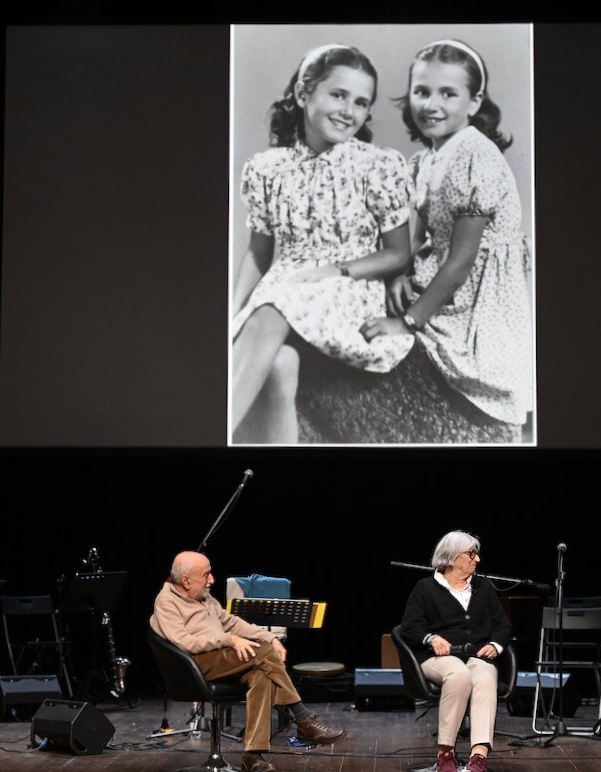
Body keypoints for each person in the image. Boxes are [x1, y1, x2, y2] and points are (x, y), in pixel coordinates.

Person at [231, 43, 415, 444]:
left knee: (273, 307)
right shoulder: (265, 169)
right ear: (303, 94)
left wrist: (337, 270)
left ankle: (205, 433)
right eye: (338, 94)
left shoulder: (377, 165)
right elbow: (258, 254)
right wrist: (232, 315)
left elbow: (398, 253)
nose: (350, 110)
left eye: (361, 102)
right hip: (286, 285)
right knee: (279, 364)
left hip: (347, 289)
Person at [361, 39, 533, 443]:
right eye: (421, 92)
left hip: (478, 299)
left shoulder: (478, 156)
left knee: (393, 338)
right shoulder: (425, 160)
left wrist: (406, 322)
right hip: (441, 277)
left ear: (474, 103)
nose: (430, 105)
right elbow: (416, 237)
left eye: (447, 94)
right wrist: (399, 274)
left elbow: (460, 264)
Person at [150, 551, 344, 772]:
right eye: (206, 574)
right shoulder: (166, 602)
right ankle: (303, 718)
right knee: (262, 651)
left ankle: (252, 756)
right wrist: (230, 640)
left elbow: (233, 623)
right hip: (192, 667)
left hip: (220, 660)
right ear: (185, 581)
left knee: (261, 675)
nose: (212, 579)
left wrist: (269, 636)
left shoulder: (204, 599)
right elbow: (184, 642)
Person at [400, 531, 512, 772]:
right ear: (452, 556)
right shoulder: (425, 588)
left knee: (484, 676)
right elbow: (408, 627)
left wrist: (495, 645)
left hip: (475, 656)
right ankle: (446, 754)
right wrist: (431, 638)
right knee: (458, 674)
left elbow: (503, 625)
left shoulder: (483, 587)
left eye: (477, 554)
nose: (477, 559)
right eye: (472, 554)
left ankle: (478, 757)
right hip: (436, 659)